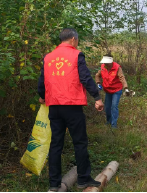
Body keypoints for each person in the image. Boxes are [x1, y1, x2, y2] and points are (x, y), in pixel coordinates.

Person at [37, 28, 104, 192]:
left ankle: (54, 183)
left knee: (56, 145)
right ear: (73, 39)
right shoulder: (76, 55)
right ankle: (83, 179)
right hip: (72, 107)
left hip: (54, 107)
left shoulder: (48, 57)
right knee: (80, 143)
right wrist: (97, 97)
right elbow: (86, 77)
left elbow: (42, 80)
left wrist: (42, 95)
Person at [95, 54, 129, 129]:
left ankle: (114, 125)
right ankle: (108, 121)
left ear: (111, 62)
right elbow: (97, 75)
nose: (106, 64)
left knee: (114, 106)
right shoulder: (103, 67)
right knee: (107, 107)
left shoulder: (117, 68)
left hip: (117, 90)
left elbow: (122, 78)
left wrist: (126, 88)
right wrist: (98, 83)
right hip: (108, 90)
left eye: (107, 63)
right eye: (105, 62)